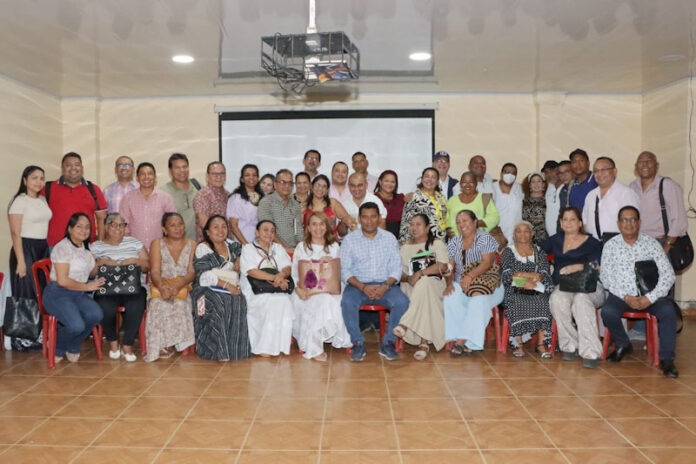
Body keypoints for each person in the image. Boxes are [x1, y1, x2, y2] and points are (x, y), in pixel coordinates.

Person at [600, 206, 679, 378]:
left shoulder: (651, 244)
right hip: (623, 296)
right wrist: (626, 297)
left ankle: (667, 360)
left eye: (633, 219)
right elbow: (606, 277)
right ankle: (623, 344)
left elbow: (668, 275)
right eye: (624, 220)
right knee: (608, 312)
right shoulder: (611, 246)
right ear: (618, 224)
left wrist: (650, 297)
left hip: (651, 296)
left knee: (668, 311)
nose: (629, 224)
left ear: (639, 222)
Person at [340, 202, 409, 361]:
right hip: (358, 286)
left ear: (379, 218)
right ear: (359, 219)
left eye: (373, 217)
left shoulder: (389, 238)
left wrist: (385, 286)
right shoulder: (350, 240)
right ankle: (357, 342)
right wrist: (362, 287)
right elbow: (345, 271)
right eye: (365, 217)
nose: (369, 221)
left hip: (385, 285)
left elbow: (396, 268)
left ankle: (388, 343)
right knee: (347, 302)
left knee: (402, 302)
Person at [540, 206, 604, 368]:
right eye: (565, 219)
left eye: (572, 219)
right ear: (561, 223)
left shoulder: (592, 242)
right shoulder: (555, 240)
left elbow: (598, 265)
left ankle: (591, 351)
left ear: (580, 223)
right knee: (556, 299)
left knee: (581, 301)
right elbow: (535, 249)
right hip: (565, 286)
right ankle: (570, 344)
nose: (568, 223)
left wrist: (578, 267)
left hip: (589, 286)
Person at [42, 213, 104, 363]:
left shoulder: (86, 250)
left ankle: (72, 343)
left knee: (96, 315)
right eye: (79, 226)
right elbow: (63, 281)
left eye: (87, 227)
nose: (84, 230)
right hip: (58, 293)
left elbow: (91, 273)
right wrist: (87, 286)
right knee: (76, 325)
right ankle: (57, 346)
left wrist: (101, 263)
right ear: (70, 229)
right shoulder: (62, 247)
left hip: (78, 294)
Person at [291, 212, 352, 361]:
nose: (318, 227)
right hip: (305, 291)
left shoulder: (334, 246)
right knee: (321, 301)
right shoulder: (301, 247)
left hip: (330, 289)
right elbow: (294, 274)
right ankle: (314, 347)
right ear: (308, 228)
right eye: (314, 224)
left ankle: (323, 338)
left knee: (333, 300)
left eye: (321, 224)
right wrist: (299, 290)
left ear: (327, 227)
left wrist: (330, 263)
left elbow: (339, 274)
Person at [444, 210, 504, 356]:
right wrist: (449, 283)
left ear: (475, 222)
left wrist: (470, 276)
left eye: (465, 220)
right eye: (458, 222)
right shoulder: (454, 242)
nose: (461, 225)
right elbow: (450, 267)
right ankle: (459, 336)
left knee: (477, 301)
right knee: (450, 296)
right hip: (463, 285)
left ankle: (463, 341)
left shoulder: (484, 237)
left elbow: (488, 262)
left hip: (489, 286)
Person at [192, 215, 251, 361]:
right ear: (208, 232)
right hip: (204, 290)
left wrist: (239, 259)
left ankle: (236, 350)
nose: (220, 230)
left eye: (224, 226)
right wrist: (227, 285)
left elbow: (248, 252)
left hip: (228, 288)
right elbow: (203, 277)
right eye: (216, 227)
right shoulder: (202, 248)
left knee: (240, 300)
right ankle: (217, 351)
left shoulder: (231, 245)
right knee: (219, 302)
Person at [91, 213, 149, 362]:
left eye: (122, 225)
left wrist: (136, 261)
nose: (118, 228)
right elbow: (90, 274)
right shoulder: (96, 246)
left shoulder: (135, 243)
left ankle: (128, 344)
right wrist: (100, 263)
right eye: (113, 224)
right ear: (106, 227)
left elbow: (148, 265)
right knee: (105, 306)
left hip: (133, 287)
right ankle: (113, 342)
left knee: (136, 303)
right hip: (106, 288)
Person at [393, 214, 449, 360]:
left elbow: (442, 266)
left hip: (435, 286)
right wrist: (409, 278)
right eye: (411, 224)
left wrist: (420, 273)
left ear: (427, 228)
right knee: (422, 287)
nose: (414, 228)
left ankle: (404, 324)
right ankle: (424, 343)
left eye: (418, 224)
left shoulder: (436, 244)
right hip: (411, 287)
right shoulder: (405, 247)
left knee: (424, 283)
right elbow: (400, 274)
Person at [8, 166, 52, 348]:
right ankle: (23, 338)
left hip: (42, 248)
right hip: (25, 248)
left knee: (41, 292)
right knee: (26, 293)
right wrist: (21, 261)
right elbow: (15, 233)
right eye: (34, 178)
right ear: (25, 180)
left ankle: (39, 333)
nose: (39, 182)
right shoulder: (20, 201)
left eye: (41, 178)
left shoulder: (42, 199)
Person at [144, 212, 196, 362]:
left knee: (179, 304)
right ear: (164, 229)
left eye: (180, 224)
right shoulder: (156, 243)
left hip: (184, 285)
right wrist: (162, 287)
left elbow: (191, 272)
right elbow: (154, 271)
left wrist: (177, 286)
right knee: (158, 304)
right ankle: (160, 345)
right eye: (172, 225)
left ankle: (173, 343)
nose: (177, 228)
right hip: (161, 285)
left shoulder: (193, 244)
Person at [240, 220, 295, 357]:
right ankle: (263, 346)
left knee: (284, 301)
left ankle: (280, 345)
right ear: (257, 232)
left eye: (272, 231)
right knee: (270, 302)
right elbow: (252, 271)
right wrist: (275, 279)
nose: (269, 233)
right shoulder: (248, 248)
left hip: (278, 286)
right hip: (255, 288)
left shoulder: (278, 248)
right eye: (265, 230)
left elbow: (287, 267)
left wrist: (281, 275)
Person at [500, 221, 553, 358]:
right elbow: (506, 274)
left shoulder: (539, 252)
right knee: (516, 301)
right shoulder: (508, 251)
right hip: (514, 288)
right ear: (514, 234)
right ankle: (518, 344)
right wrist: (525, 279)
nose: (522, 234)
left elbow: (544, 273)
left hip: (535, 287)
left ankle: (541, 344)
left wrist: (523, 275)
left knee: (544, 302)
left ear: (532, 234)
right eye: (519, 231)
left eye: (526, 231)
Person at [43, 152, 108, 247]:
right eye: (68, 165)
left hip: (86, 248)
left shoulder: (94, 189)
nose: (73, 168)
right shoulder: (48, 188)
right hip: (54, 247)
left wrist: (100, 245)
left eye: (77, 165)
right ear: (62, 169)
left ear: (82, 168)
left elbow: (101, 219)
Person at [629, 151, 688, 254]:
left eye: (649, 161)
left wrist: (667, 244)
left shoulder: (668, 185)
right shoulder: (632, 187)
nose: (645, 164)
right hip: (639, 244)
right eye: (641, 161)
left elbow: (679, 219)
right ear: (636, 166)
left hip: (662, 243)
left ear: (657, 166)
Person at [120, 162, 177, 251]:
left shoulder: (165, 198)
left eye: (150, 174)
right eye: (142, 174)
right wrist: (131, 248)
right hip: (135, 250)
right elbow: (123, 226)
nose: (146, 177)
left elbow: (173, 224)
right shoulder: (128, 198)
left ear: (155, 177)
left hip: (160, 249)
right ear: (137, 178)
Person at [582, 157, 640, 242]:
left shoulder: (626, 193)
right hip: (593, 247)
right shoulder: (591, 195)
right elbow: (585, 223)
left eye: (604, 169)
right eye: (596, 171)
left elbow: (633, 224)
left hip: (619, 246)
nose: (599, 174)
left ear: (615, 171)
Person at [257, 169, 304, 254]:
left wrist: (300, 248)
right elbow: (267, 230)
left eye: (290, 183)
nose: (287, 186)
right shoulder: (266, 202)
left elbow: (298, 229)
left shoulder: (295, 203)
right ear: (275, 184)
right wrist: (285, 249)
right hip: (271, 249)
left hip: (293, 250)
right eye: (283, 182)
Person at [399, 167, 448, 243]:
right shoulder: (414, 198)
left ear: (437, 181)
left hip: (440, 243)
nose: (429, 179)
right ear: (422, 179)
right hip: (421, 245)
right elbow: (406, 225)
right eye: (427, 176)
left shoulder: (441, 198)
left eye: (433, 177)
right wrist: (408, 246)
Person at [160, 153, 202, 240]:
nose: (182, 170)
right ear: (170, 170)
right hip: (176, 246)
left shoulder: (199, 187)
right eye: (177, 168)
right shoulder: (163, 192)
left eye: (185, 167)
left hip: (199, 244)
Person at [446, 172, 499, 237]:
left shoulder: (484, 198)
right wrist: (448, 229)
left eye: (471, 182)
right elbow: (446, 218)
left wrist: (477, 223)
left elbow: (495, 217)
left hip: (477, 241)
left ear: (476, 184)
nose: (467, 185)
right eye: (464, 182)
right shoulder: (452, 200)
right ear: (460, 184)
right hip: (456, 241)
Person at [227, 164, 263, 245]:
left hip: (259, 242)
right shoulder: (236, 198)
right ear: (242, 179)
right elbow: (233, 226)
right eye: (247, 175)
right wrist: (246, 245)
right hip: (242, 242)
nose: (251, 178)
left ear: (258, 178)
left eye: (254, 175)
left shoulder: (262, 197)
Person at [193, 161, 230, 241]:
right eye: (214, 174)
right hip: (209, 245)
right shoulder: (202, 195)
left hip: (226, 244)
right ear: (207, 176)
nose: (219, 177)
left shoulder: (228, 195)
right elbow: (204, 224)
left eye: (222, 174)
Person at [492, 162, 523, 243]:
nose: (510, 175)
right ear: (501, 174)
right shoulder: (492, 187)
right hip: (497, 234)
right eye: (507, 172)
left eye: (513, 173)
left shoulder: (519, 188)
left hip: (516, 234)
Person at [374, 170, 405, 238]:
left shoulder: (401, 198)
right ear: (380, 182)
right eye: (386, 181)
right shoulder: (373, 199)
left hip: (402, 240)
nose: (389, 184)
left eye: (392, 182)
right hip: (381, 238)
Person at [547, 160, 573, 236]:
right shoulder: (563, 191)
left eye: (567, 172)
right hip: (561, 234)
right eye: (561, 173)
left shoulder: (580, 188)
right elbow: (561, 213)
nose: (564, 175)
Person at [567, 148, 597, 213]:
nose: (578, 165)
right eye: (574, 162)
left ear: (588, 163)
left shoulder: (597, 180)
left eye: (581, 161)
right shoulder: (571, 184)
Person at [522, 171, 548, 243]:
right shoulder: (523, 201)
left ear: (543, 184)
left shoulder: (549, 201)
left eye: (539, 181)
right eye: (533, 182)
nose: (536, 184)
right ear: (529, 185)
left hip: (545, 240)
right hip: (527, 239)